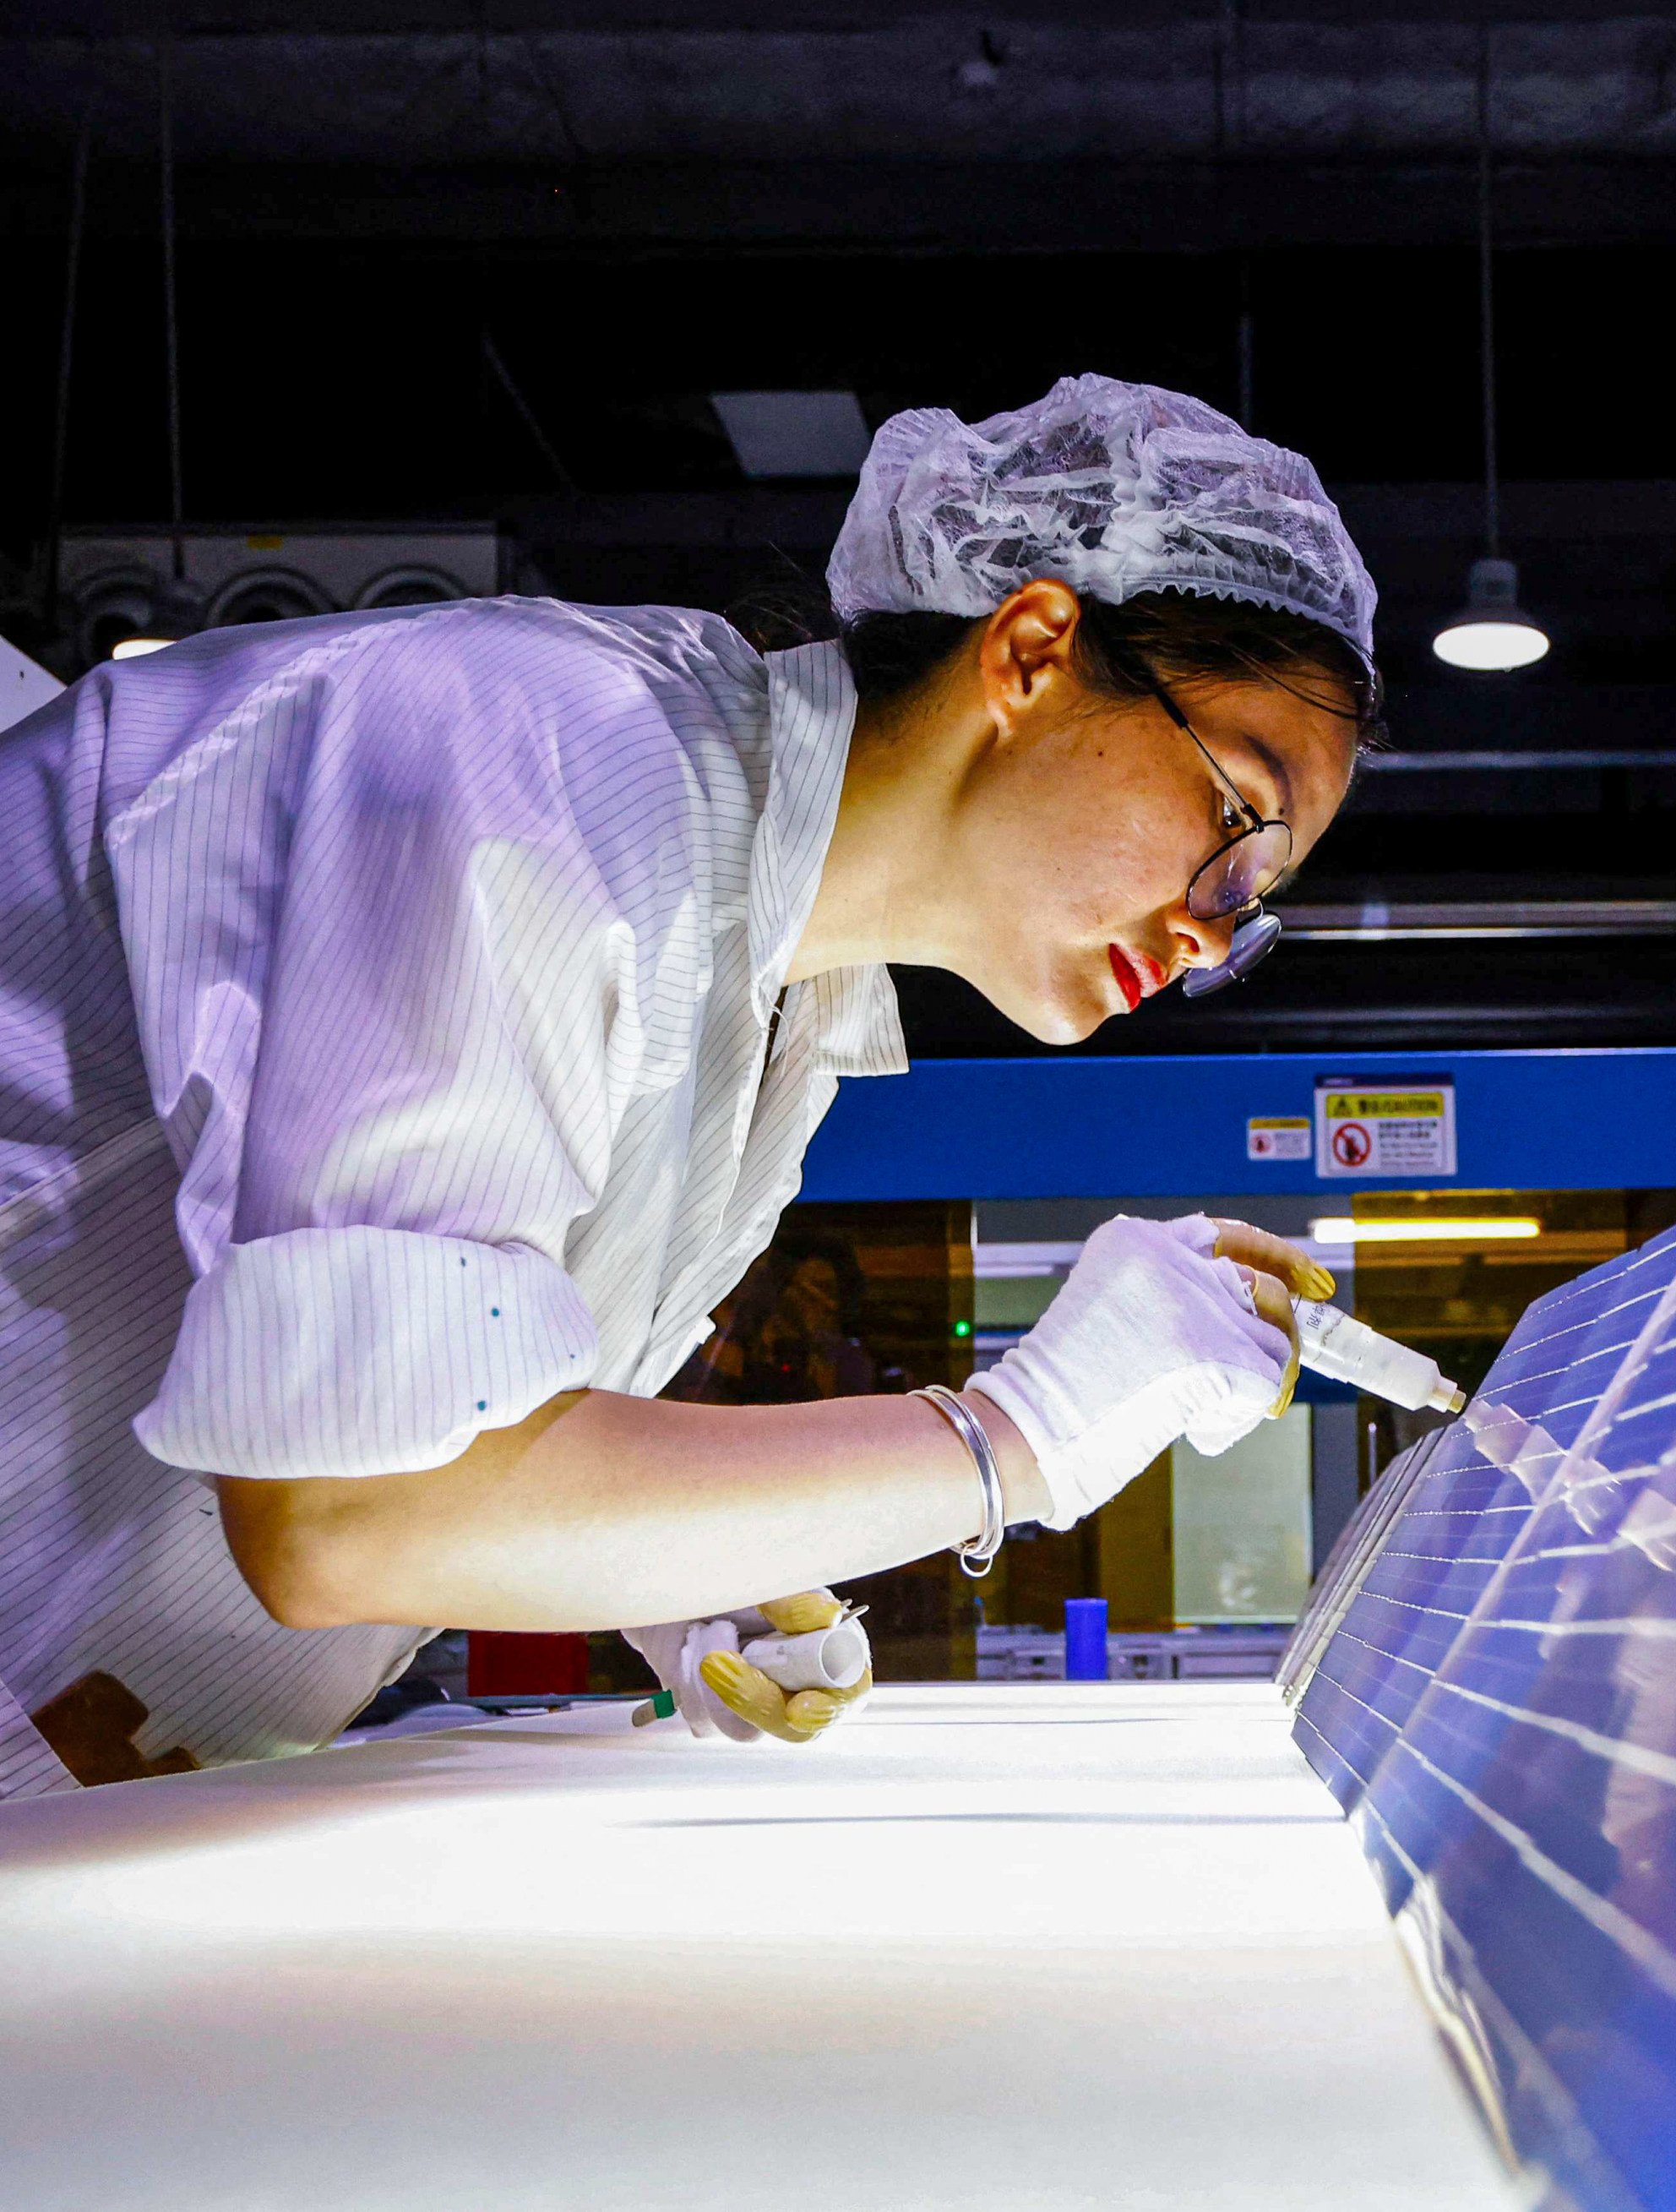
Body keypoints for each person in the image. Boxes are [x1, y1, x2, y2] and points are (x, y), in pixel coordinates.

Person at [0, 376, 1373, 1792]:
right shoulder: (540, 759)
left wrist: (674, 1571)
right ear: (1030, 651)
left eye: (1258, 901)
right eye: (1235, 817)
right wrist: (1019, 1432)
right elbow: (351, 1508)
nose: (1215, 927)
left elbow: (487, 1419)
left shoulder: (788, 1018)